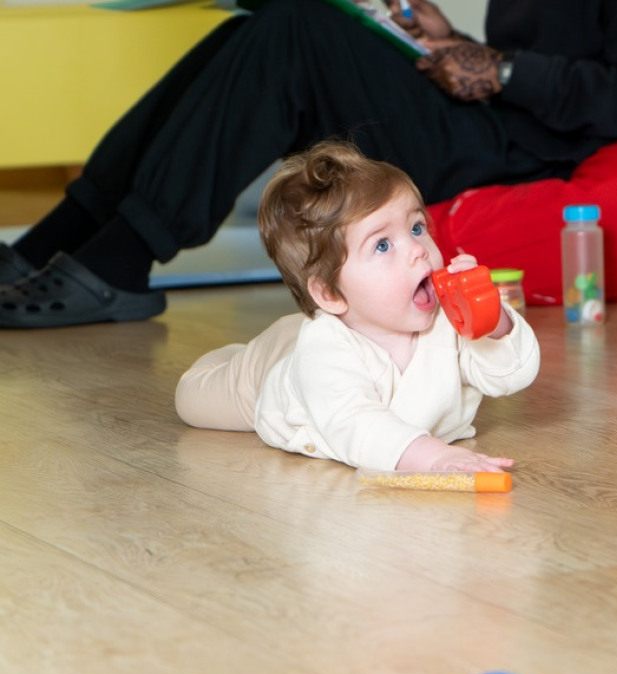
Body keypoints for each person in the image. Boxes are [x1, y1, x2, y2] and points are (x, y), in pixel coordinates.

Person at [0, 0, 617, 328]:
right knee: (250, 30)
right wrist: (451, 42)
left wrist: (505, 70)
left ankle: (118, 262)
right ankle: (60, 240)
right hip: (501, 122)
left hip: (532, 155)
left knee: (297, 27)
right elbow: (546, 64)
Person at [174, 140, 539, 472]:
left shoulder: (446, 320)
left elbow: (509, 375)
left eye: (415, 228)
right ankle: (228, 357)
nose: (417, 249)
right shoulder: (325, 352)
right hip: (272, 367)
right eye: (382, 245)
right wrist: (433, 456)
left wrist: (495, 324)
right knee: (191, 400)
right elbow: (355, 422)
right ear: (331, 294)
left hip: (310, 334)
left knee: (294, 336)